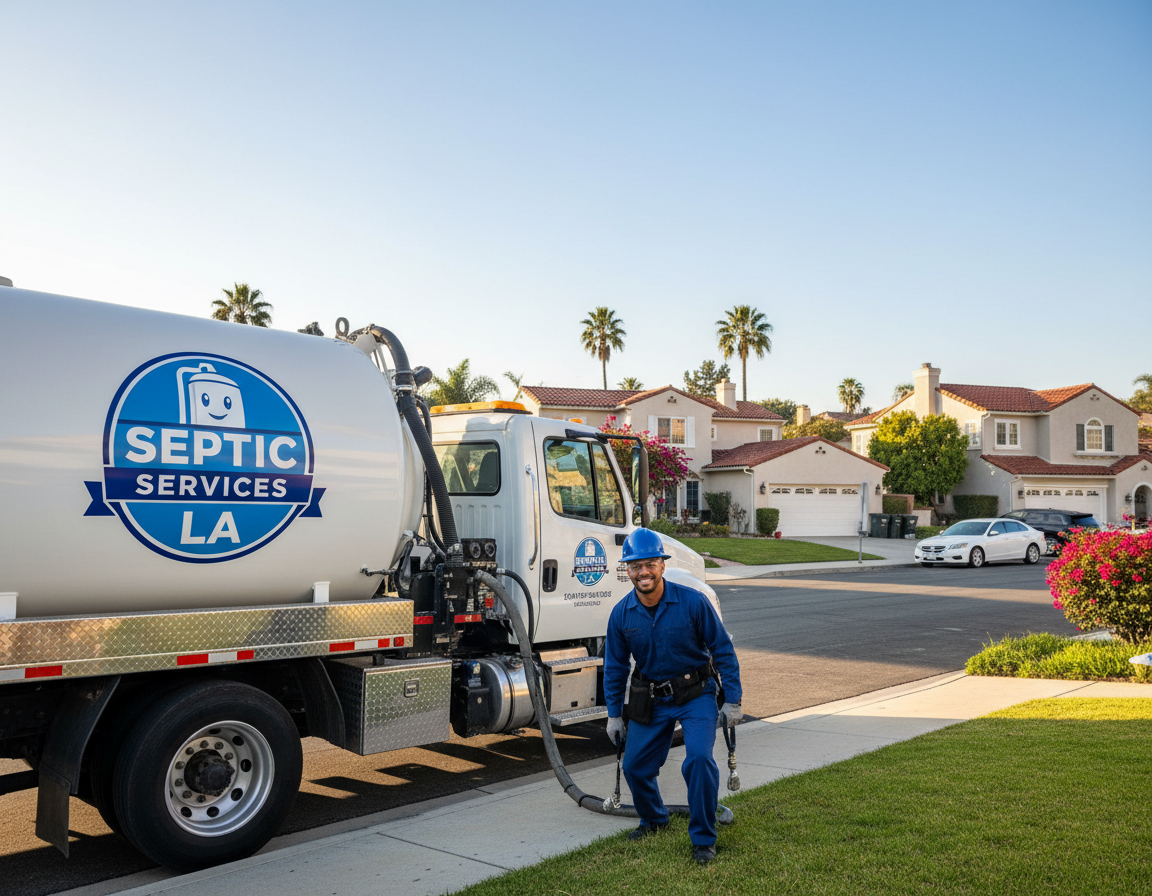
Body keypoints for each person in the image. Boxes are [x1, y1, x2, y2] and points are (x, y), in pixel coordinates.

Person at [603, 528, 742, 865]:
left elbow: (722, 650)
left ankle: (703, 839)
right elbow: (615, 666)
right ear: (627, 570)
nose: (643, 572)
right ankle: (654, 818)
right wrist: (613, 714)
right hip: (653, 697)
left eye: (649, 564)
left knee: (698, 760)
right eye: (635, 566)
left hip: (697, 694)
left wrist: (734, 700)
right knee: (635, 767)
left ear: (662, 566)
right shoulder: (621, 614)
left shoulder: (693, 602)